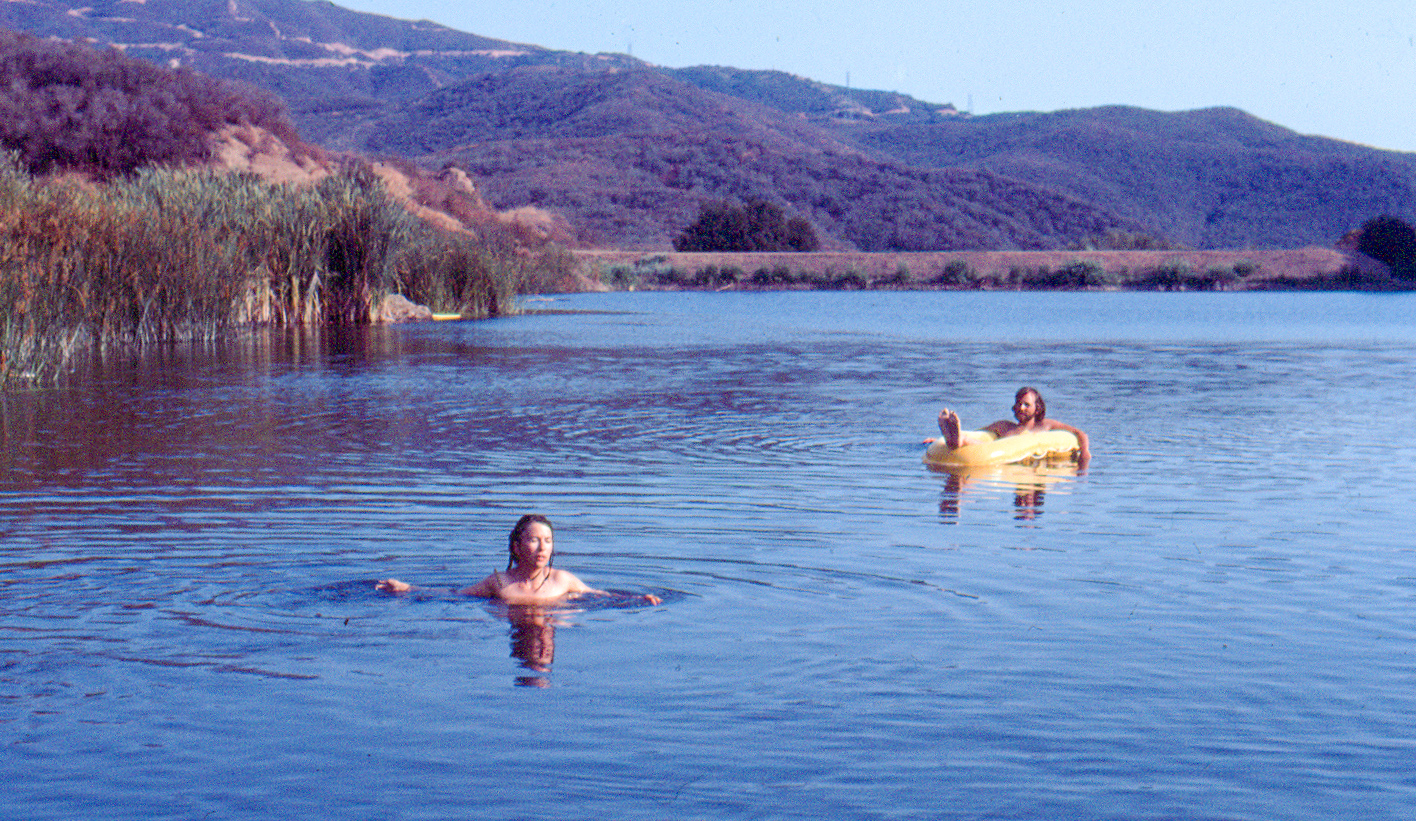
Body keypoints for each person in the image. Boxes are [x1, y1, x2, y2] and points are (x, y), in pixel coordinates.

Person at [376, 514, 661, 605]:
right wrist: (408, 588)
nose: (542, 548)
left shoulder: (563, 580)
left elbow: (602, 596)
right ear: (516, 546)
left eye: (548, 541)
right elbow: (454, 594)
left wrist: (638, 600)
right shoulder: (498, 582)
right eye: (534, 540)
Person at [932, 386, 1091, 466]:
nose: (1021, 408)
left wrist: (1085, 452)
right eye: (1018, 404)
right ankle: (952, 439)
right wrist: (936, 440)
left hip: (1004, 457)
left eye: (1026, 405)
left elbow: (1079, 433)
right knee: (967, 439)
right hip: (990, 450)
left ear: (1038, 408)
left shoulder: (1045, 425)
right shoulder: (1004, 426)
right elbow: (977, 433)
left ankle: (955, 441)